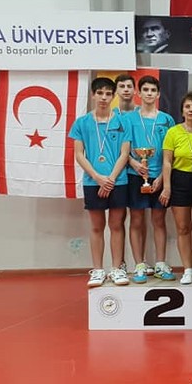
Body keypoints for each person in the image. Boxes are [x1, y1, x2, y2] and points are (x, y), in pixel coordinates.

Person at [69, 77, 131, 287]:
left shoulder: (123, 122)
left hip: (118, 181)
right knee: (96, 226)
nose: (104, 97)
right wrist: (96, 177)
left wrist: (110, 179)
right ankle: (97, 270)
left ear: (113, 96)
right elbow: (79, 154)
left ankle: (116, 268)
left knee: (116, 225)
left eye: (108, 94)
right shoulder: (82, 123)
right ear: (93, 95)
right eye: (100, 93)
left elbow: (125, 153)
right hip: (92, 181)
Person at [123, 76, 177, 283]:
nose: (149, 93)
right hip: (135, 175)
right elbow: (123, 148)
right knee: (136, 219)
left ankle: (161, 263)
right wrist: (133, 163)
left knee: (159, 220)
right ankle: (139, 264)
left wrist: (163, 177)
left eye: (153, 90)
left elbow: (170, 153)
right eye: (145, 89)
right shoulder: (128, 119)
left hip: (159, 175)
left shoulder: (166, 120)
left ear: (158, 94)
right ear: (139, 93)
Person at [160, 92, 192, 285]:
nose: (191, 109)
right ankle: (187, 268)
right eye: (187, 106)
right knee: (183, 227)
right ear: (182, 111)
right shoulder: (173, 132)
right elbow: (167, 161)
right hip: (179, 179)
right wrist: (167, 187)